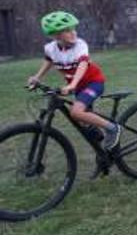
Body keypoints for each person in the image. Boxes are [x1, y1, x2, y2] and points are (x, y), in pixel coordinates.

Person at [27, 11, 122, 152]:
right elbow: (49, 61)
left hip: (93, 83)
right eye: (67, 30)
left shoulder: (80, 45)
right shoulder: (51, 48)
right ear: (56, 35)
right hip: (78, 86)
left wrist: (72, 84)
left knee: (76, 112)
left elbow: (82, 65)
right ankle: (102, 145)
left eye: (73, 29)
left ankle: (113, 129)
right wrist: (37, 77)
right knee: (81, 119)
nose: (73, 33)